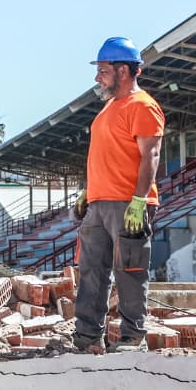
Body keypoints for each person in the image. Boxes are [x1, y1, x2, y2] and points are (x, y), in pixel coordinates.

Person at [71, 36, 165, 352]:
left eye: (102, 70)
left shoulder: (143, 106)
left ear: (122, 70)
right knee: (91, 272)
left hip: (129, 204)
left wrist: (139, 201)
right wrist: (88, 191)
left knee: (130, 271)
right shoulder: (109, 108)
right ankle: (87, 338)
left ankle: (132, 337)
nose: (98, 77)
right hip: (99, 204)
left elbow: (151, 154)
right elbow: (106, 154)